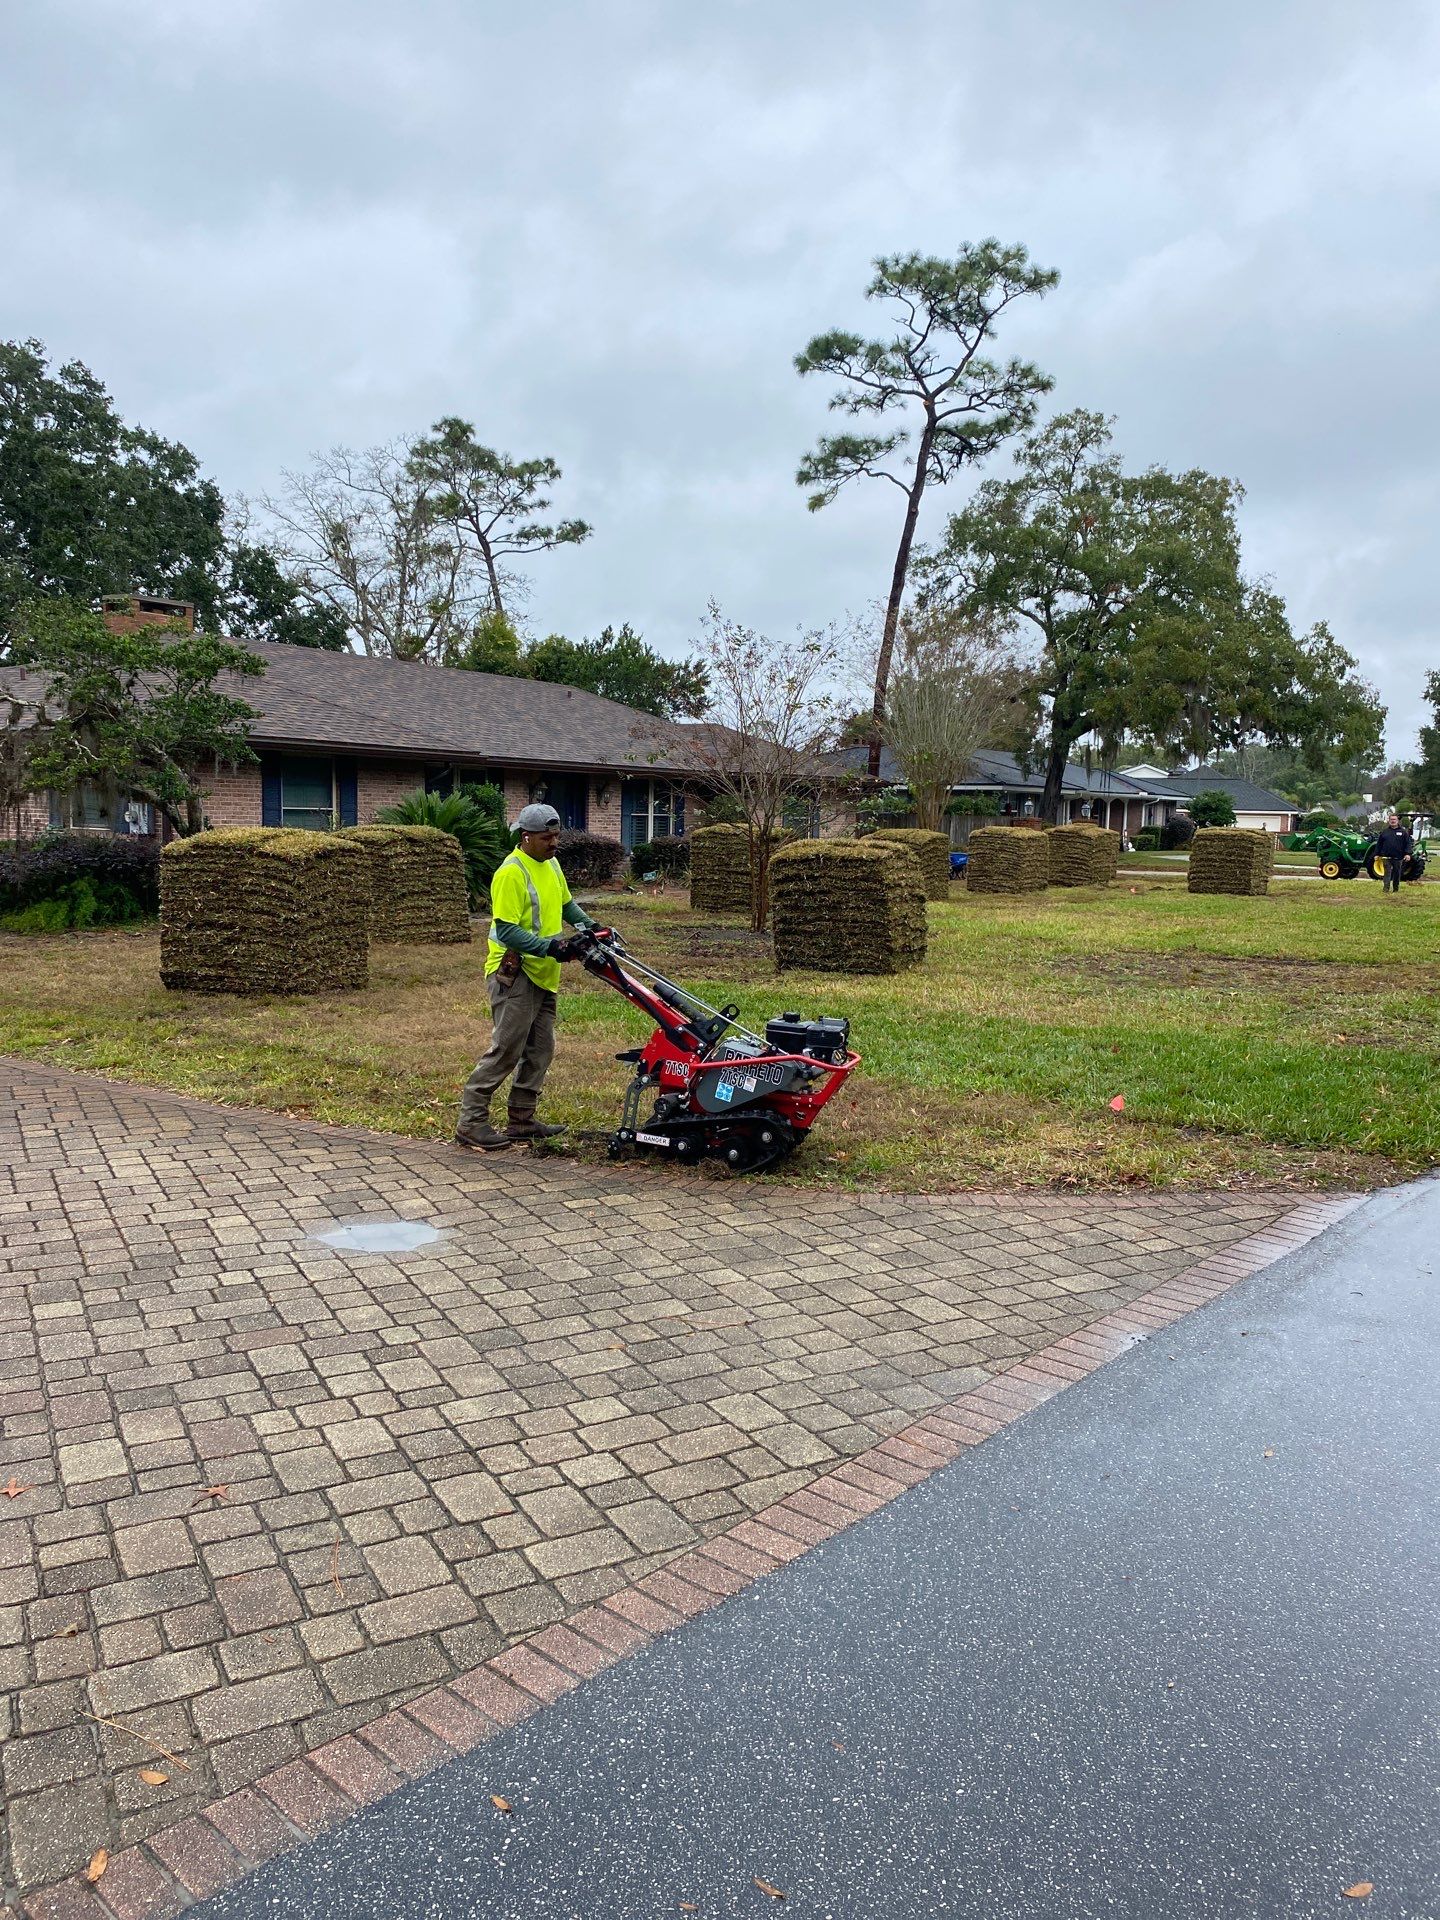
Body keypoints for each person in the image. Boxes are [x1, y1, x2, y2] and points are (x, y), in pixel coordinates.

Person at [455, 803, 606, 1151]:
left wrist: (592, 928)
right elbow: (506, 930)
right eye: (546, 837)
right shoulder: (511, 873)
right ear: (526, 837)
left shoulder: (551, 864)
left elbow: (567, 905)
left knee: (540, 1050)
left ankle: (521, 1121)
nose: (554, 843)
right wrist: (552, 948)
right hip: (515, 972)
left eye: (556, 836)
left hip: (544, 973)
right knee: (506, 1050)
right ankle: (471, 1122)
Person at [1374, 810, 1413, 896]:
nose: (1392, 821)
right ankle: (1386, 889)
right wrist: (1376, 854)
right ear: (1389, 820)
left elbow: (1407, 844)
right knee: (1387, 874)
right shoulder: (1384, 832)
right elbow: (1379, 844)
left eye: (1394, 819)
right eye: (1391, 819)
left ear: (1397, 821)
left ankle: (1395, 889)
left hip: (1398, 858)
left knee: (1397, 874)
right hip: (1386, 857)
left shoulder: (1403, 832)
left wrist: (1408, 854)